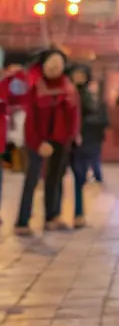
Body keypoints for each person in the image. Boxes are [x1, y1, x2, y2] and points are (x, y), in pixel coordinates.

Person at [12, 48, 80, 234]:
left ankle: (52, 217)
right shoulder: (36, 86)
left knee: (55, 179)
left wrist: (70, 138)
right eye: (51, 63)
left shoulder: (68, 88)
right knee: (32, 179)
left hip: (60, 140)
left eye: (58, 64)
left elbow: (73, 116)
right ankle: (22, 222)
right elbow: (31, 119)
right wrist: (38, 143)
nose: (54, 67)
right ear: (43, 65)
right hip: (37, 141)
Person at [67, 64, 108, 229]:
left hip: (84, 141)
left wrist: (83, 128)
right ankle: (54, 214)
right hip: (66, 140)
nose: (78, 77)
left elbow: (103, 119)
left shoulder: (91, 96)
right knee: (58, 179)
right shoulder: (67, 93)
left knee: (79, 177)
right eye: (75, 73)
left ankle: (78, 214)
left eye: (81, 74)